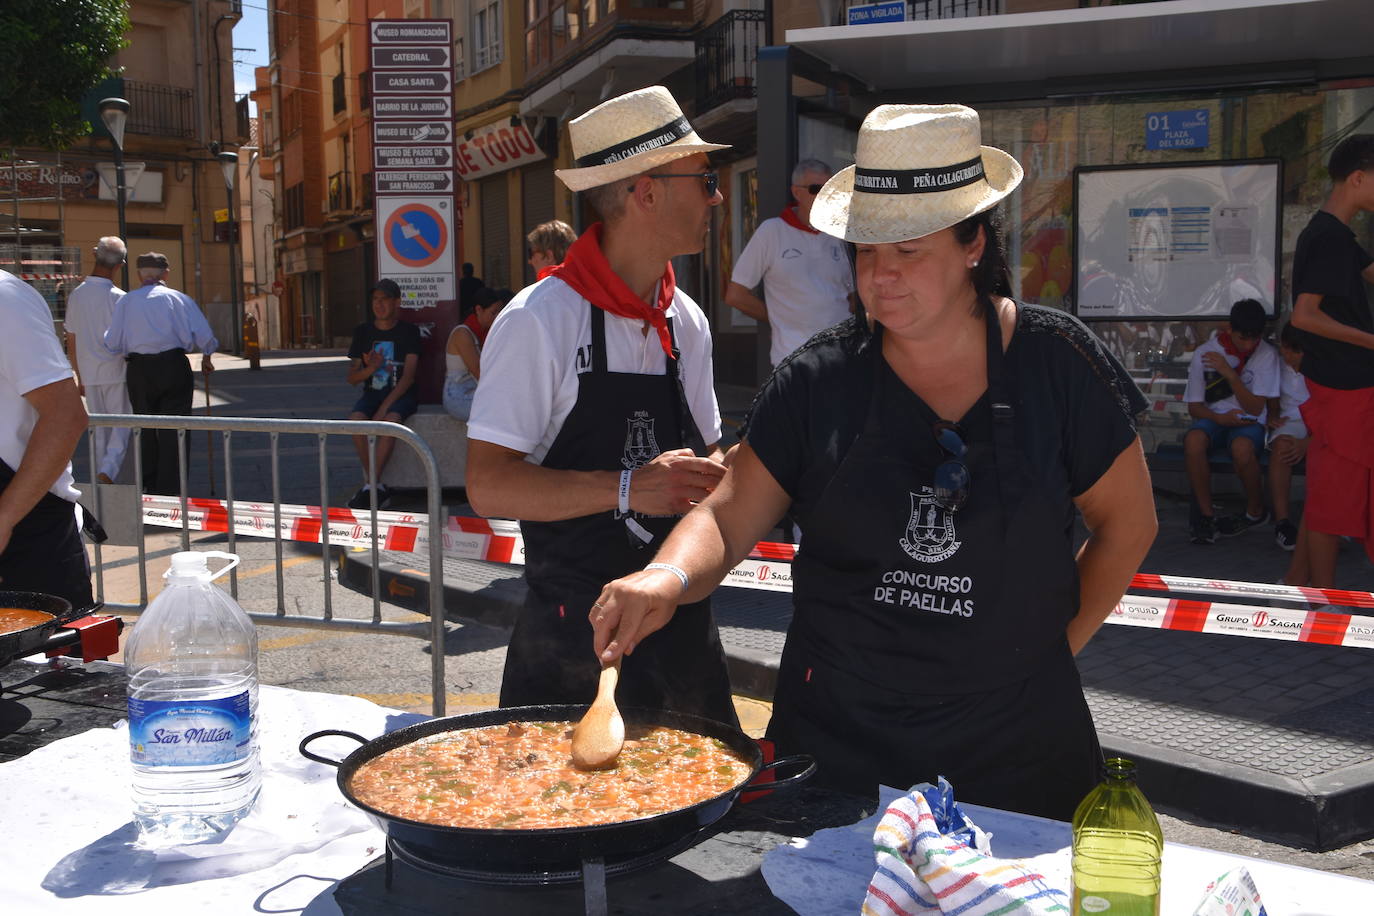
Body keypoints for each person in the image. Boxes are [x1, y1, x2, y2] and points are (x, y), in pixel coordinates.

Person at [589, 104, 1157, 821]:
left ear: (973, 243)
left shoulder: (1058, 366)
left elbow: (1126, 525)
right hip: (840, 748)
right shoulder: (818, 382)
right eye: (864, 251)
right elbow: (730, 514)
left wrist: (1047, 652)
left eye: (908, 251)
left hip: (1018, 753)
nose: (880, 275)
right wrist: (664, 577)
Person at [466, 85, 739, 727]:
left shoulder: (687, 320)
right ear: (647, 192)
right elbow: (487, 485)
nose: (717, 196)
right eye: (704, 178)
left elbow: (710, 455)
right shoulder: (540, 320)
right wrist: (627, 488)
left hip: (679, 633)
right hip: (568, 643)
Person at [1289, 133, 1374, 589]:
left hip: (1342, 385)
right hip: (1346, 387)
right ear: (1359, 178)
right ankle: (1323, 602)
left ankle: (1298, 583)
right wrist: (1370, 341)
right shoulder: (1330, 238)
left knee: (1328, 491)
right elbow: (1305, 315)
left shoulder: (1333, 233)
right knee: (1333, 501)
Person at [0, 269, 93, 610]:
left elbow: (65, 416)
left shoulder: (4, 299)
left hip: (26, 535)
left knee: (51, 662)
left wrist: (4, 519)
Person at [102, 252, 217, 496]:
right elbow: (205, 336)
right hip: (174, 366)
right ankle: (171, 489)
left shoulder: (127, 302)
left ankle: (149, 486)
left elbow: (112, 342)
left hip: (139, 369)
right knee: (175, 428)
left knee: (144, 427)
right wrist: (207, 356)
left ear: (138, 274)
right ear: (166, 273)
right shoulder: (179, 299)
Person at [725, 158, 855, 367]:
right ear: (797, 193)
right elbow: (736, 296)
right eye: (816, 188)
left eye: (829, 189)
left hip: (841, 358)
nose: (824, 195)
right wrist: (779, 318)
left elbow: (851, 296)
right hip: (792, 359)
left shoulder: (839, 234)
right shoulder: (772, 232)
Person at [1181, 299, 1281, 544]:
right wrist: (1218, 417)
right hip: (1215, 420)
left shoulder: (1266, 354)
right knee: (1193, 441)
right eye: (1242, 339)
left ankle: (1255, 510)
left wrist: (1228, 373)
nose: (1248, 345)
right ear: (1230, 330)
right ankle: (1206, 517)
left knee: (1242, 448)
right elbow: (1194, 407)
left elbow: (1255, 407)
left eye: (1253, 339)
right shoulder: (1205, 352)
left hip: (1249, 422)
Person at [345, 278, 421, 510]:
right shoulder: (363, 332)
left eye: (385, 299)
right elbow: (352, 378)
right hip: (372, 394)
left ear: (397, 302)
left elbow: (408, 376)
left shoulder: (410, 332)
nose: (379, 304)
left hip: (401, 395)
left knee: (389, 422)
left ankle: (369, 486)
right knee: (355, 422)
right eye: (375, 299)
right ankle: (374, 486)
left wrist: (384, 408)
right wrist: (371, 369)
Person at [65, 236, 131, 484]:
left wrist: (78, 374)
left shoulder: (77, 296)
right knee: (122, 423)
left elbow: (71, 338)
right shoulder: (120, 298)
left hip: (89, 372)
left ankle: (100, 473)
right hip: (116, 369)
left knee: (99, 427)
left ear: (94, 254)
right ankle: (109, 469)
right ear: (120, 265)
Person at [1269, 322, 1309, 555]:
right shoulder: (1275, 361)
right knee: (1282, 447)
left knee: (1327, 451)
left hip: (1321, 423)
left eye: (1293, 350)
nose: (1287, 354)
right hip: (1290, 421)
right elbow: (1270, 394)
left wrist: (1308, 443)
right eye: (1284, 348)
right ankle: (1282, 523)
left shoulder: (1328, 365)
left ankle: (1327, 524)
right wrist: (1272, 415)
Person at [443, 287, 511, 422]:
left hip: (476, 392)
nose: (498, 316)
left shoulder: (486, 333)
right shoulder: (463, 334)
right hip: (458, 395)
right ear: (479, 310)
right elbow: (479, 372)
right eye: (493, 312)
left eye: (500, 312)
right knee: (505, 411)